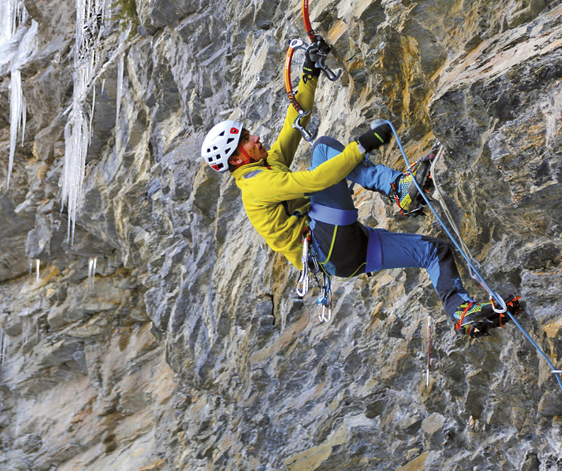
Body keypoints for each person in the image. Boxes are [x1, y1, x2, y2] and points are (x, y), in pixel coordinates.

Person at [201, 39, 520, 337]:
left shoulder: (265, 166)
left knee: (434, 251)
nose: (254, 138)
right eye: (244, 140)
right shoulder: (256, 185)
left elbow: (293, 122)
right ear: (237, 159)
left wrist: (309, 73)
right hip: (328, 244)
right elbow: (313, 182)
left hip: (347, 256)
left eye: (246, 134)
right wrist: (362, 145)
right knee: (324, 149)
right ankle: (399, 188)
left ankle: (461, 313)